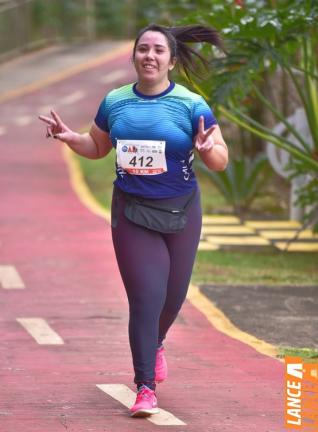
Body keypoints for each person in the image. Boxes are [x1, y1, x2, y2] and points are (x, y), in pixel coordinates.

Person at [39, 23, 228, 418]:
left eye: (159, 50)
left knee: (173, 298)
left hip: (181, 211)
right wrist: (71, 137)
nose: (150, 56)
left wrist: (209, 148)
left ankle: (156, 341)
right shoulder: (115, 102)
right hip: (131, 212)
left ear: (172, 61)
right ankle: (145, 386)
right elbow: (98, 146)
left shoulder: (192, 105)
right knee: (146, 298)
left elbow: (219, 159)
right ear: (133, 56)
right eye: (143, 49)